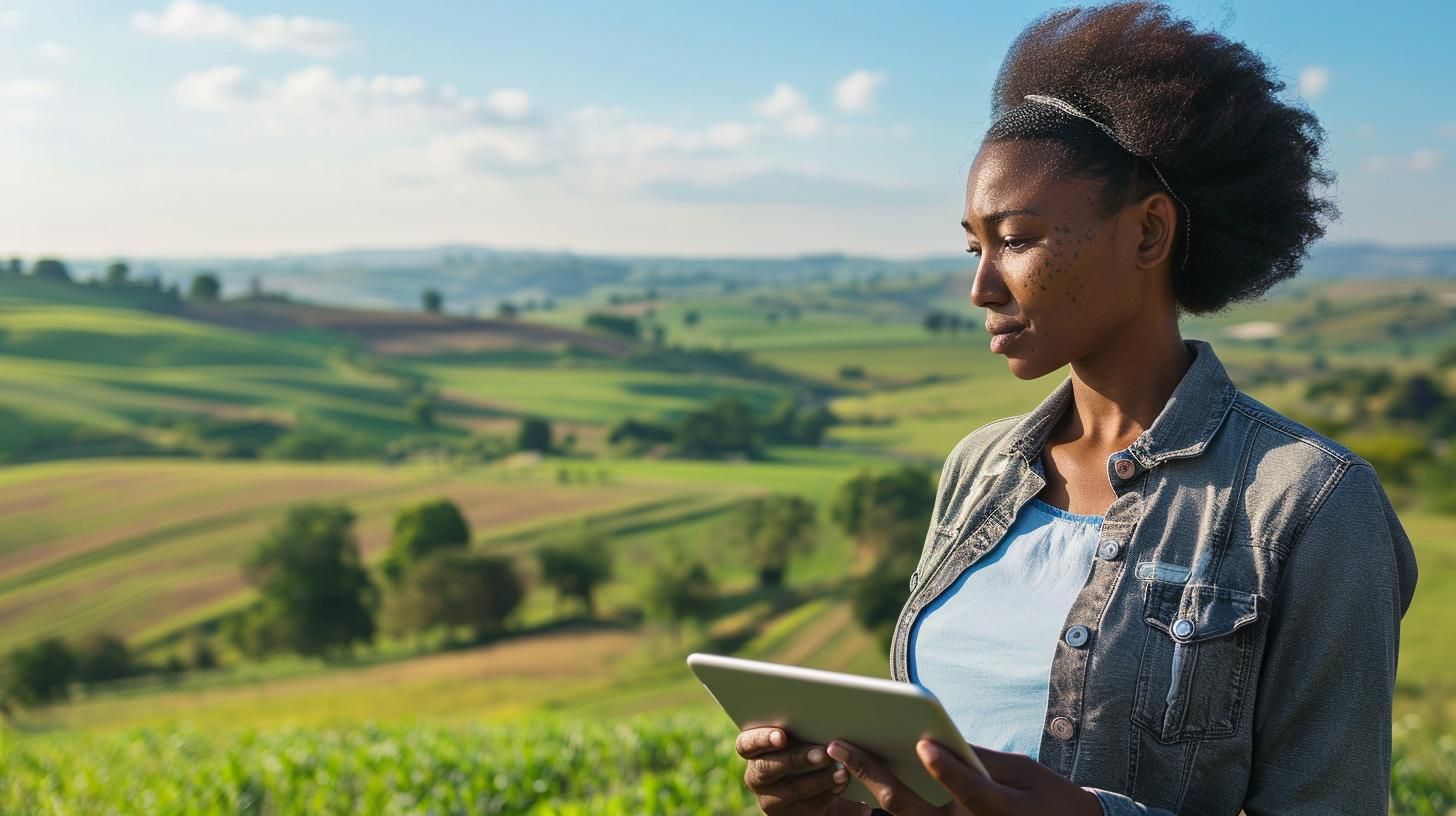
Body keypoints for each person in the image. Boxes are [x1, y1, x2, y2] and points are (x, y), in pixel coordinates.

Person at [733, 2, 1419, 814]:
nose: (981, 287)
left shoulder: (1310, 505)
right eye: (973, 246)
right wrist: (831, 793)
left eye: (1016, 239)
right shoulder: (980, 468)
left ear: (1148, 234)